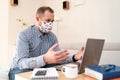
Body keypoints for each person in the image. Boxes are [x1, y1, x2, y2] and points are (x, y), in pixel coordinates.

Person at [8, 6, 84, 80]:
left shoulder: (52, 37)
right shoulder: (24, 35)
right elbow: (22, 63)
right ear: (38, 18)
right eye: (48, 21)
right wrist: (44, 59)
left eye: (52, 21)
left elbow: (58, 57)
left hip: (41, 69)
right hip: (19, 70)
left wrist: (75, 57)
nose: (50, 24)